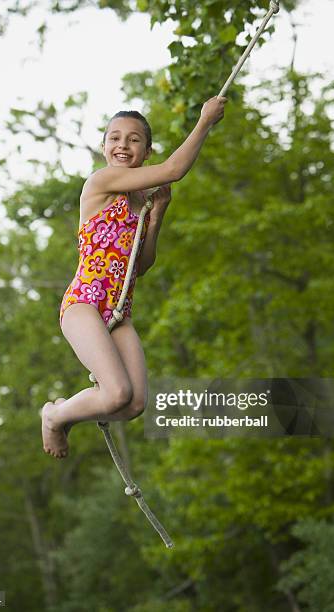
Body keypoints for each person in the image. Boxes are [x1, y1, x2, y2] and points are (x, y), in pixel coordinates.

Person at [41, 95, 227, 458]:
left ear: (146, 149)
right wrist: (204, 121)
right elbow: (174, 169)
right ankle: (54, 416)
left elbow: (139, 266)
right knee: (116, 394)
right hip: (84, 304)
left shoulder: (139, 202)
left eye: (133, 139)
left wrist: (157, 217)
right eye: (114, 137)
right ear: (104, 146)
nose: (122, 145)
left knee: (134, 403)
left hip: (119, 310)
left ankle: (68, 413)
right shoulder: (103, 181)